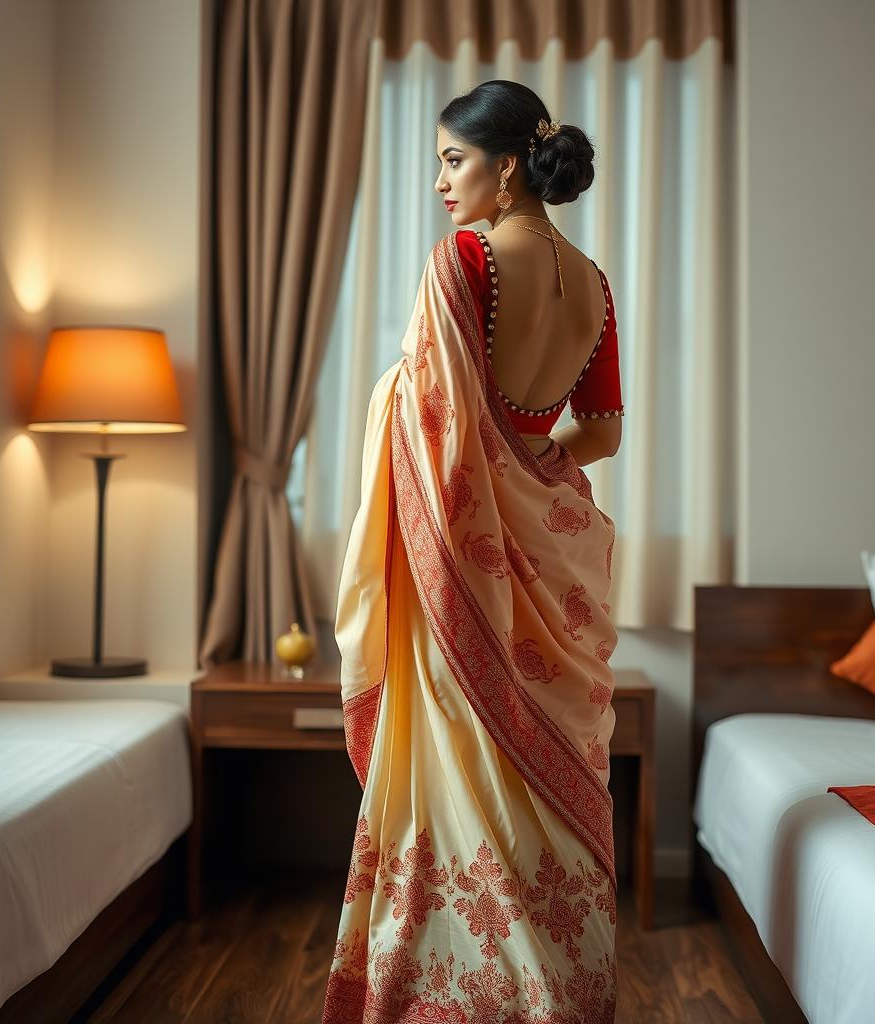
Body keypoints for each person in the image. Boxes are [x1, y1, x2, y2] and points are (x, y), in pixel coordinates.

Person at [323, 79, 624, 1024]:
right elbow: (603, 433)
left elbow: (434, 422)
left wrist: (492, 478)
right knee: (534, 775)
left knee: (460, 775)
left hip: (462, 566)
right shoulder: (596, 285)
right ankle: (555, 994)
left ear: (505, 168)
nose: (443, 184)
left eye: (454, 162)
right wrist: (528, 476)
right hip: (544, 563)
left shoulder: (465, 260)